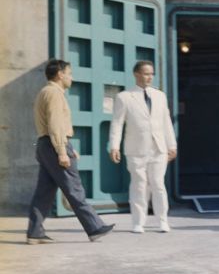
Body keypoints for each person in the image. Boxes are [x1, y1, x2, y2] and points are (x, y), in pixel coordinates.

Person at [26, 59, 115, 244]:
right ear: (60, 74)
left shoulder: (45, 92)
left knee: (44, 192)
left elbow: (53, 126)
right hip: (53, 145)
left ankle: (34, 232)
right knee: (74, 189)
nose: (71, 77)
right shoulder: (54, 93)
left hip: (45, 145)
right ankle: (94, 227)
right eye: (70, 73)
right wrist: (62, 151)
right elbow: (56, 124)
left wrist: (67, 148)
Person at [109, 61, 177, 233]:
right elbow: (117, 123)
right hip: (136, 149)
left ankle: (163, 220)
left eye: (152, 74)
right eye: (146, 73)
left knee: (158, 184)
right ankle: (138, 222)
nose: (150, 77)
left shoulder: (159, 96)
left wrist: (172, 145)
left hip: (158, 148)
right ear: (136, 74)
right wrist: (114, 146)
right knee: (139, 185)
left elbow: (166, 121)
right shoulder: (124, 97)